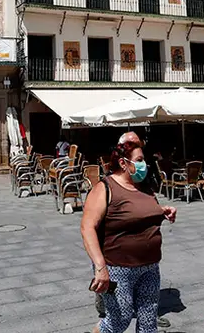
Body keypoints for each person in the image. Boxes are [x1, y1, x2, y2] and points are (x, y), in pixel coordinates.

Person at [81, 132, 177, 333]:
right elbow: (87, 227)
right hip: (118, 268)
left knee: (149, 321)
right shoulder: (105, 188)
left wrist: (162, 211)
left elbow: (139, 212)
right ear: (124, 164)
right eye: (139, 160)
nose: (144, 165)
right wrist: (100, 267)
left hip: (150, 266)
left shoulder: (143, 186)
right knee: (119, 320)